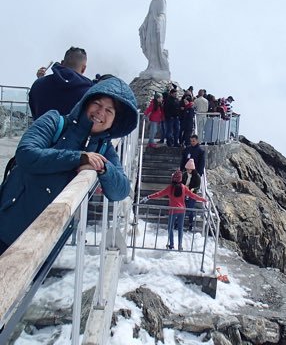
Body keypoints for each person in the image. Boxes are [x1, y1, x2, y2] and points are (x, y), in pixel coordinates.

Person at [0, 76, 138, 255]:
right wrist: (79, 158)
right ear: (86, 102)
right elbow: (27, 154)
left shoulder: (105, 149)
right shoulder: (54, 121)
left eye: (109, 110)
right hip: (8, 225)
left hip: (48, 239)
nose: (100, 112)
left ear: (115, 120)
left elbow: (121, 190)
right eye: (97, 103)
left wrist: (103, 169)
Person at [140, 170, 206, 251]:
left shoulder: (170, 188)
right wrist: (203, 200)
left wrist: (148, 197)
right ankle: (180, 245)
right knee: (180, 228)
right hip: (182, 210)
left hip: (173, 210)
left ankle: (171, 245)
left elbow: (159, 194)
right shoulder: (184, 187)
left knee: (170, 228)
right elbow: (193, 196)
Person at [29, 47, 93, 120]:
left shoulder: (38, 85)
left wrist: (40, 79)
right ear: (84, 68)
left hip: (40, 130)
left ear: (62, 63)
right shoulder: (90, 92)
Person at [139, 0, 170, 80]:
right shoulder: (152, 2)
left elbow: (162, 14)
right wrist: (143, 25)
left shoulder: (162, 1)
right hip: (150, 26)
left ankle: (158, 66)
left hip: (157, 26)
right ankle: (151, 65)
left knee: (156, 46)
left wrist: (159, 21)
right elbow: (149, 15)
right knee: (149, 45)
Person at [182, 158, 201, 231]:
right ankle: (178, 222)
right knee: (181, 207)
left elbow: (198, 186)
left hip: (192, 193)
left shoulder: (197, 176)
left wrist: (193, 189)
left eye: (189, 169)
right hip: (184, 192)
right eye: (187, 169)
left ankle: (190, 223)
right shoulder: (184, 174)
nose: (188, 170)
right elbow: (181, 182)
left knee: (190, 208)